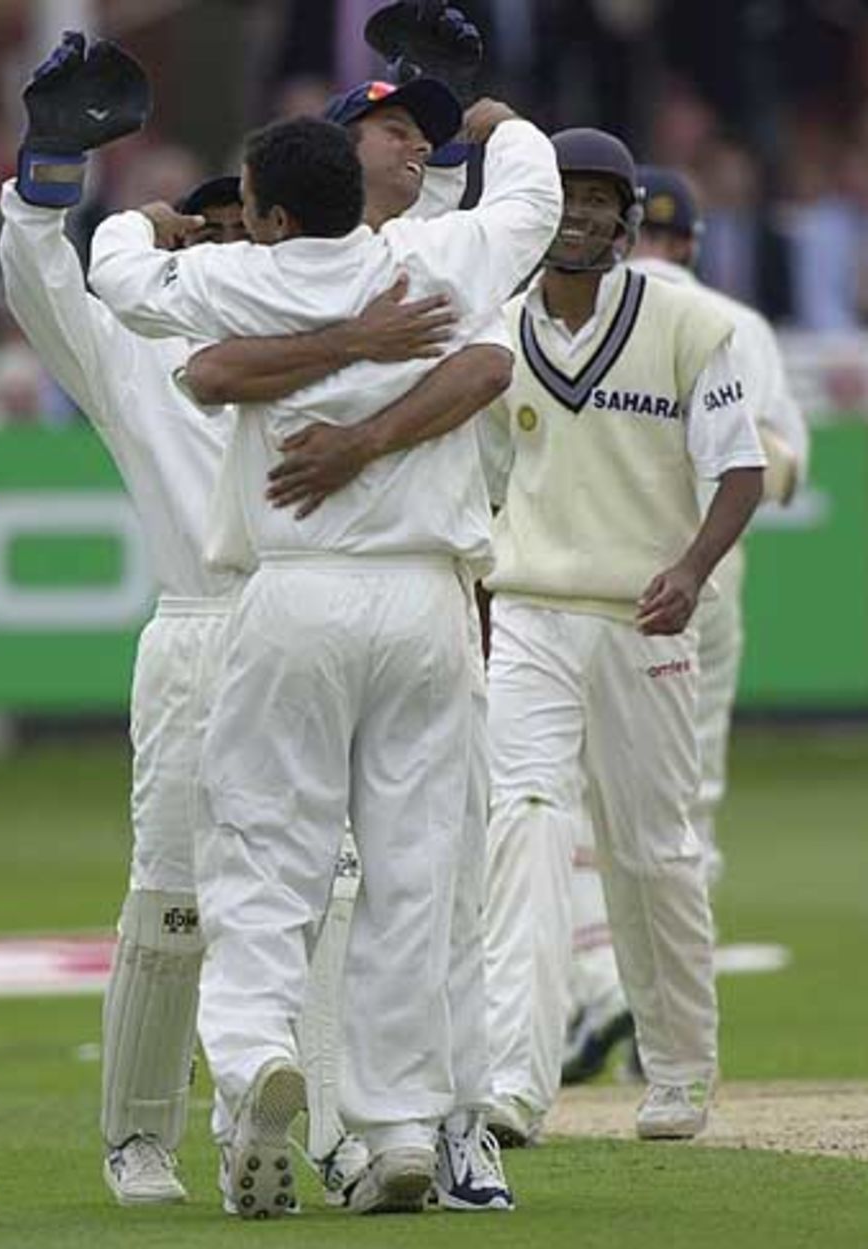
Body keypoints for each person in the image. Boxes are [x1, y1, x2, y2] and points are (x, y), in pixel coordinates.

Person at [0, 34, 503, 1210]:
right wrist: (46, 181)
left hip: (302, 613)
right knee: (179, 900)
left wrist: (418, 148)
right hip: (207, 630)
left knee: (323, 903)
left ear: (275, 228)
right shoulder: (141, 346)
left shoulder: (334, 309)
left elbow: (425, 256)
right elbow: (43, 284)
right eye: (211, 220)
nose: (230, 235)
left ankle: (317, 1131)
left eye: (245, 220)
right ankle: (140, 1139)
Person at [90, 108, 560, 1217]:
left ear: (266, 212)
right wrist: (495, 119)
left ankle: (256, 1058)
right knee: (411, 866)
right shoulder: (434, 262)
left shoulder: (239, 280)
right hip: (426, 600)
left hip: (294, 586)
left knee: (263, 849)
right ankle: (397, 1123)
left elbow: (116, 272)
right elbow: (530, 199)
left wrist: (153, 219)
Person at [477, 129, 765, 1147]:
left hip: (639, 616)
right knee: (520, 824)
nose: (580, 215)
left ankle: (679, 1068)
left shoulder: (688, 322)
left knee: (652, 852)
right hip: (529, 615)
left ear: (624, 216)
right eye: (564, 195)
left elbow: (739, 469)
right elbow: (477, 488)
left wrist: (688, 571)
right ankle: (513, 1077)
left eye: (600, 199)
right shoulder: (496, 327)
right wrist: (476, 608)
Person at [562, 164, 809, 1084]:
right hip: (705, 572)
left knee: (581, 796)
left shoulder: (572, 301)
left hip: (586, 571)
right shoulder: (734, 322)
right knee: (684, 798)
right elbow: (782, 469)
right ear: (695, 243)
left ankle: (597, 985)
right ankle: (667, 1025)